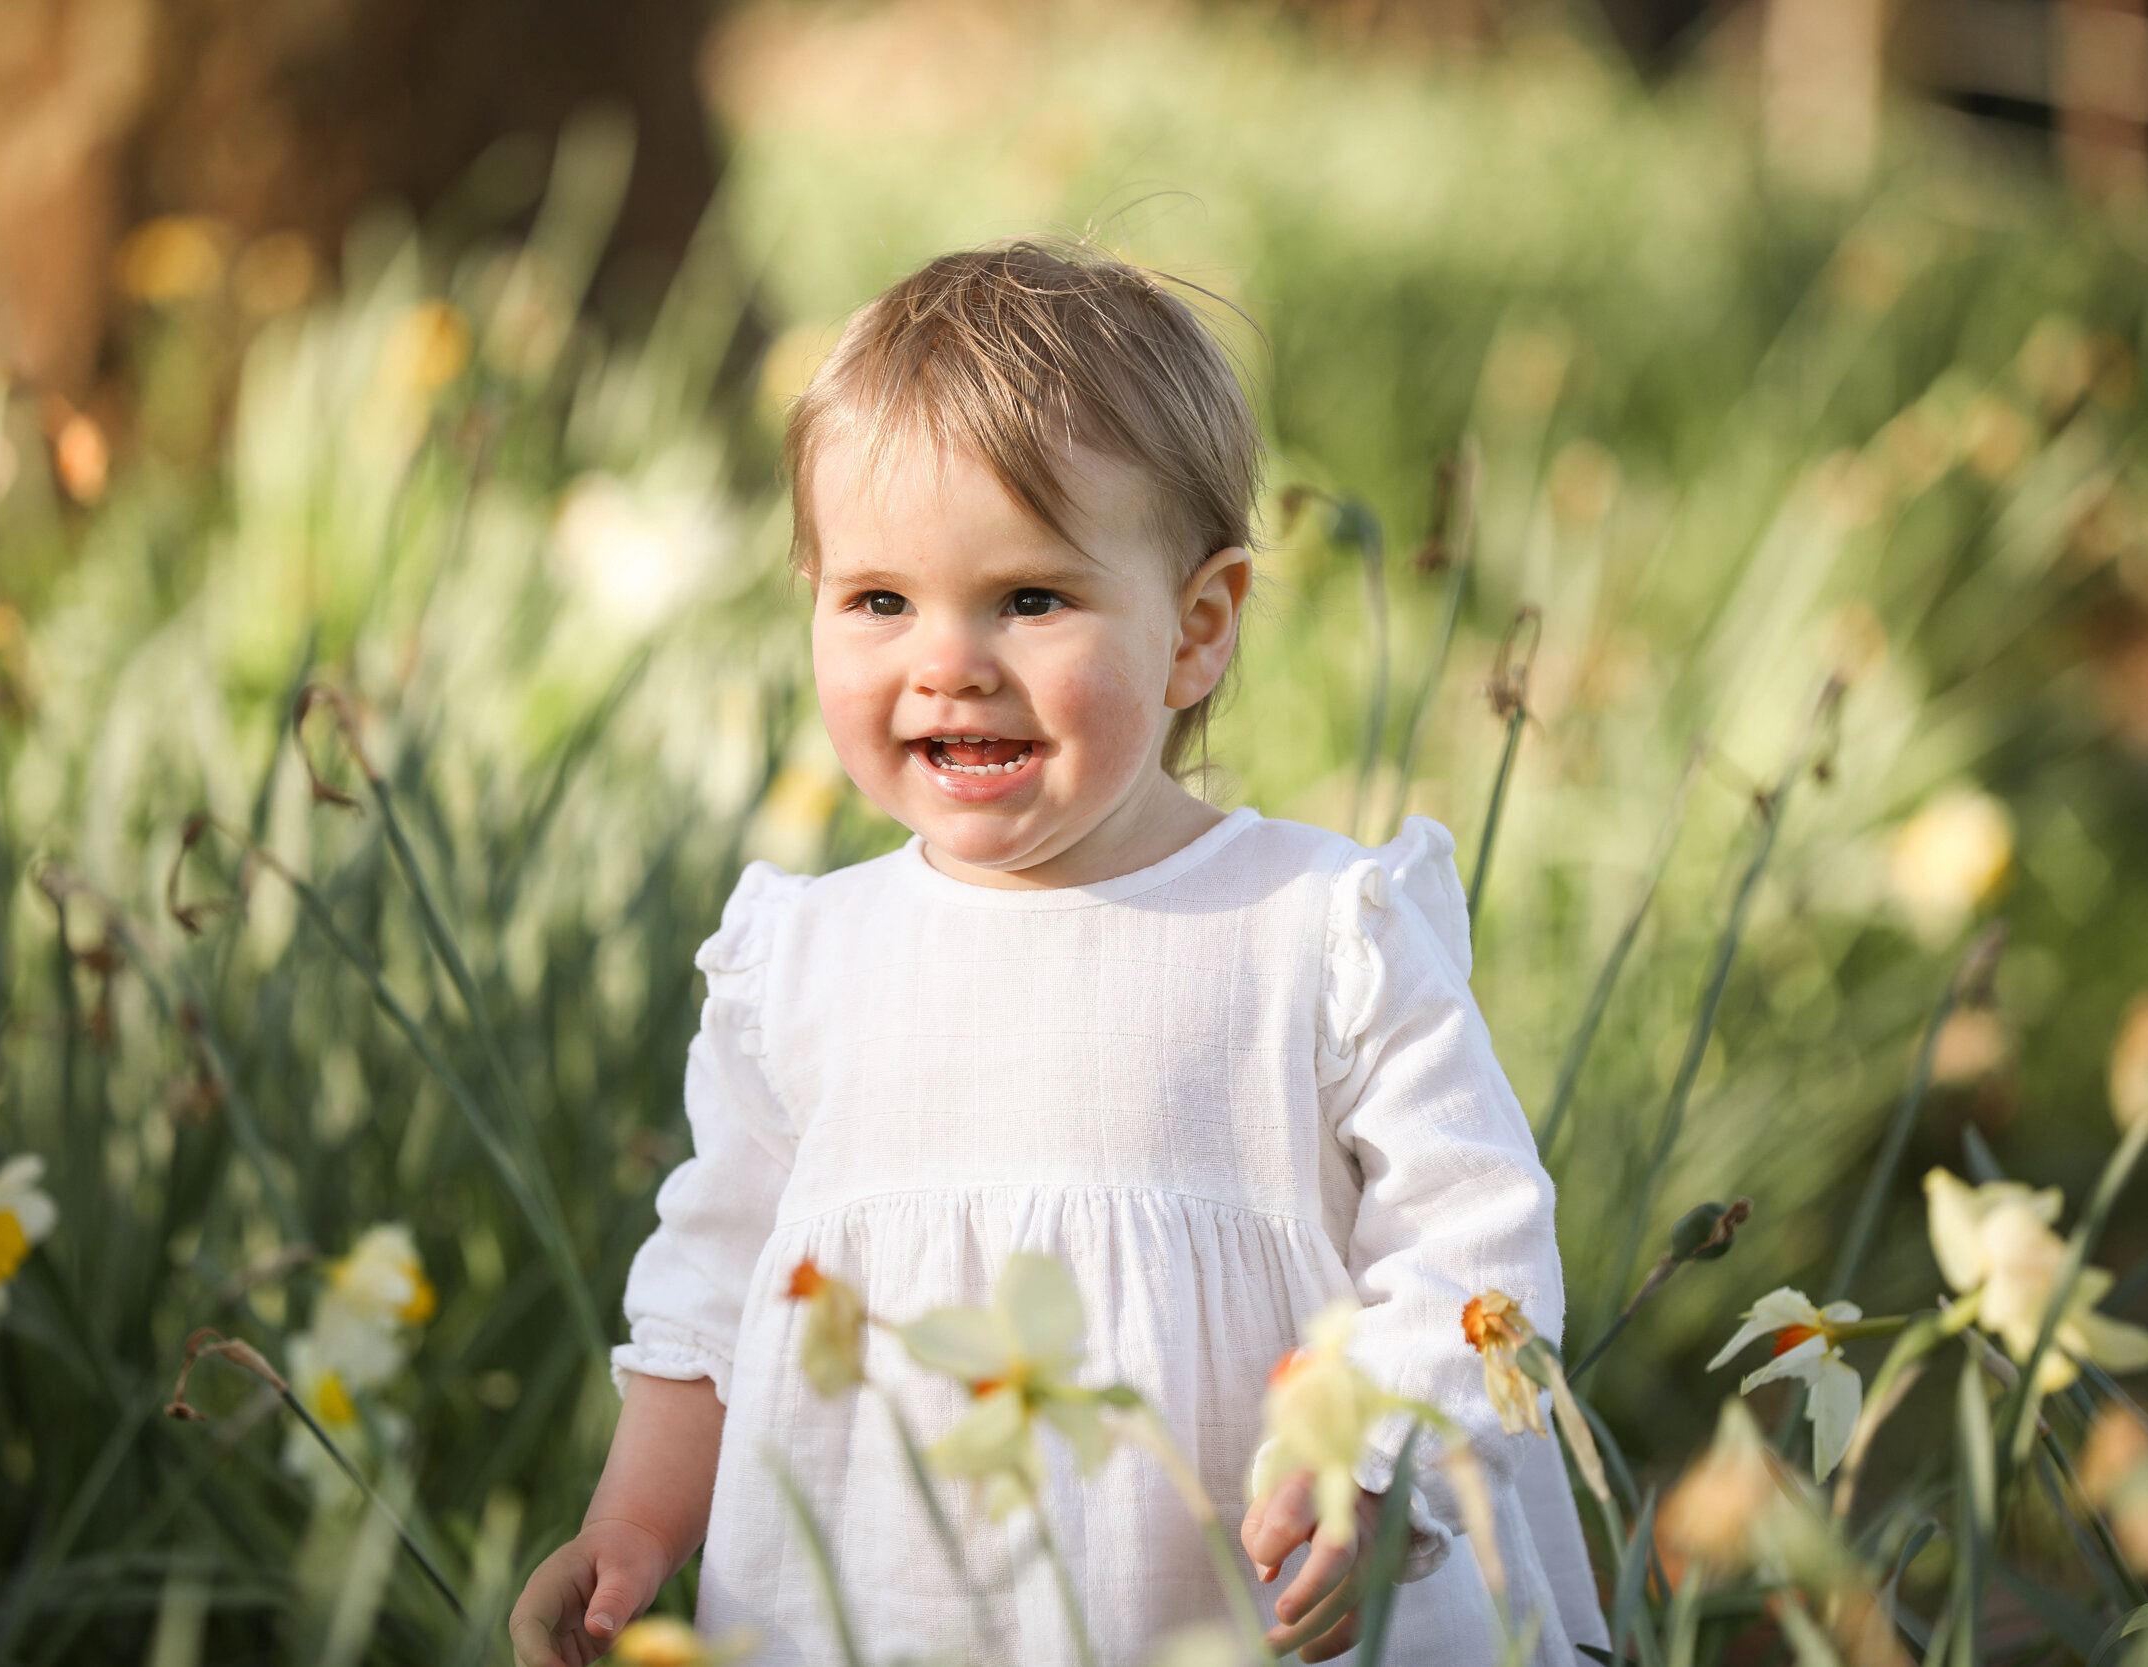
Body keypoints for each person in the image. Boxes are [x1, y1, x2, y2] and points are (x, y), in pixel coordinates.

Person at [510, 241, 1605, 1667]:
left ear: (1197, 630)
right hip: (889, 1606)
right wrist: (631, 1530)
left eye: (1029, 599)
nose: (947, 661)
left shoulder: (1315, 929)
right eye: (879, 600)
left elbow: (1476, 1240)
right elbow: (718, 1288)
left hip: (1244, 1601)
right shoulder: (806, 960)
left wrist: (1375, 1456)